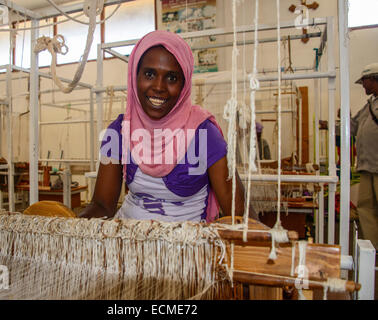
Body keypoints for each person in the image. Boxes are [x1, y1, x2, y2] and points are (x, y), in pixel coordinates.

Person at [79, 30, 256, 223]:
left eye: (171, 78)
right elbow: (102, 205)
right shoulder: (119, 132)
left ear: (184, 84)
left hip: (185, 247)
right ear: (134, 77)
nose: (159, 87)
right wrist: (70, 228)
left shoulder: (204, 134)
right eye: (149, 74)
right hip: (130, 241)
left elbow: (241, 216)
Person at [350, 62, 378, 249]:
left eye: (365, 82)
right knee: (365, 208)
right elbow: (352, 127)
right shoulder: (369, 105)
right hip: (368, 166)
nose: (363, 86)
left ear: (374, 79)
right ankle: (372, 249)